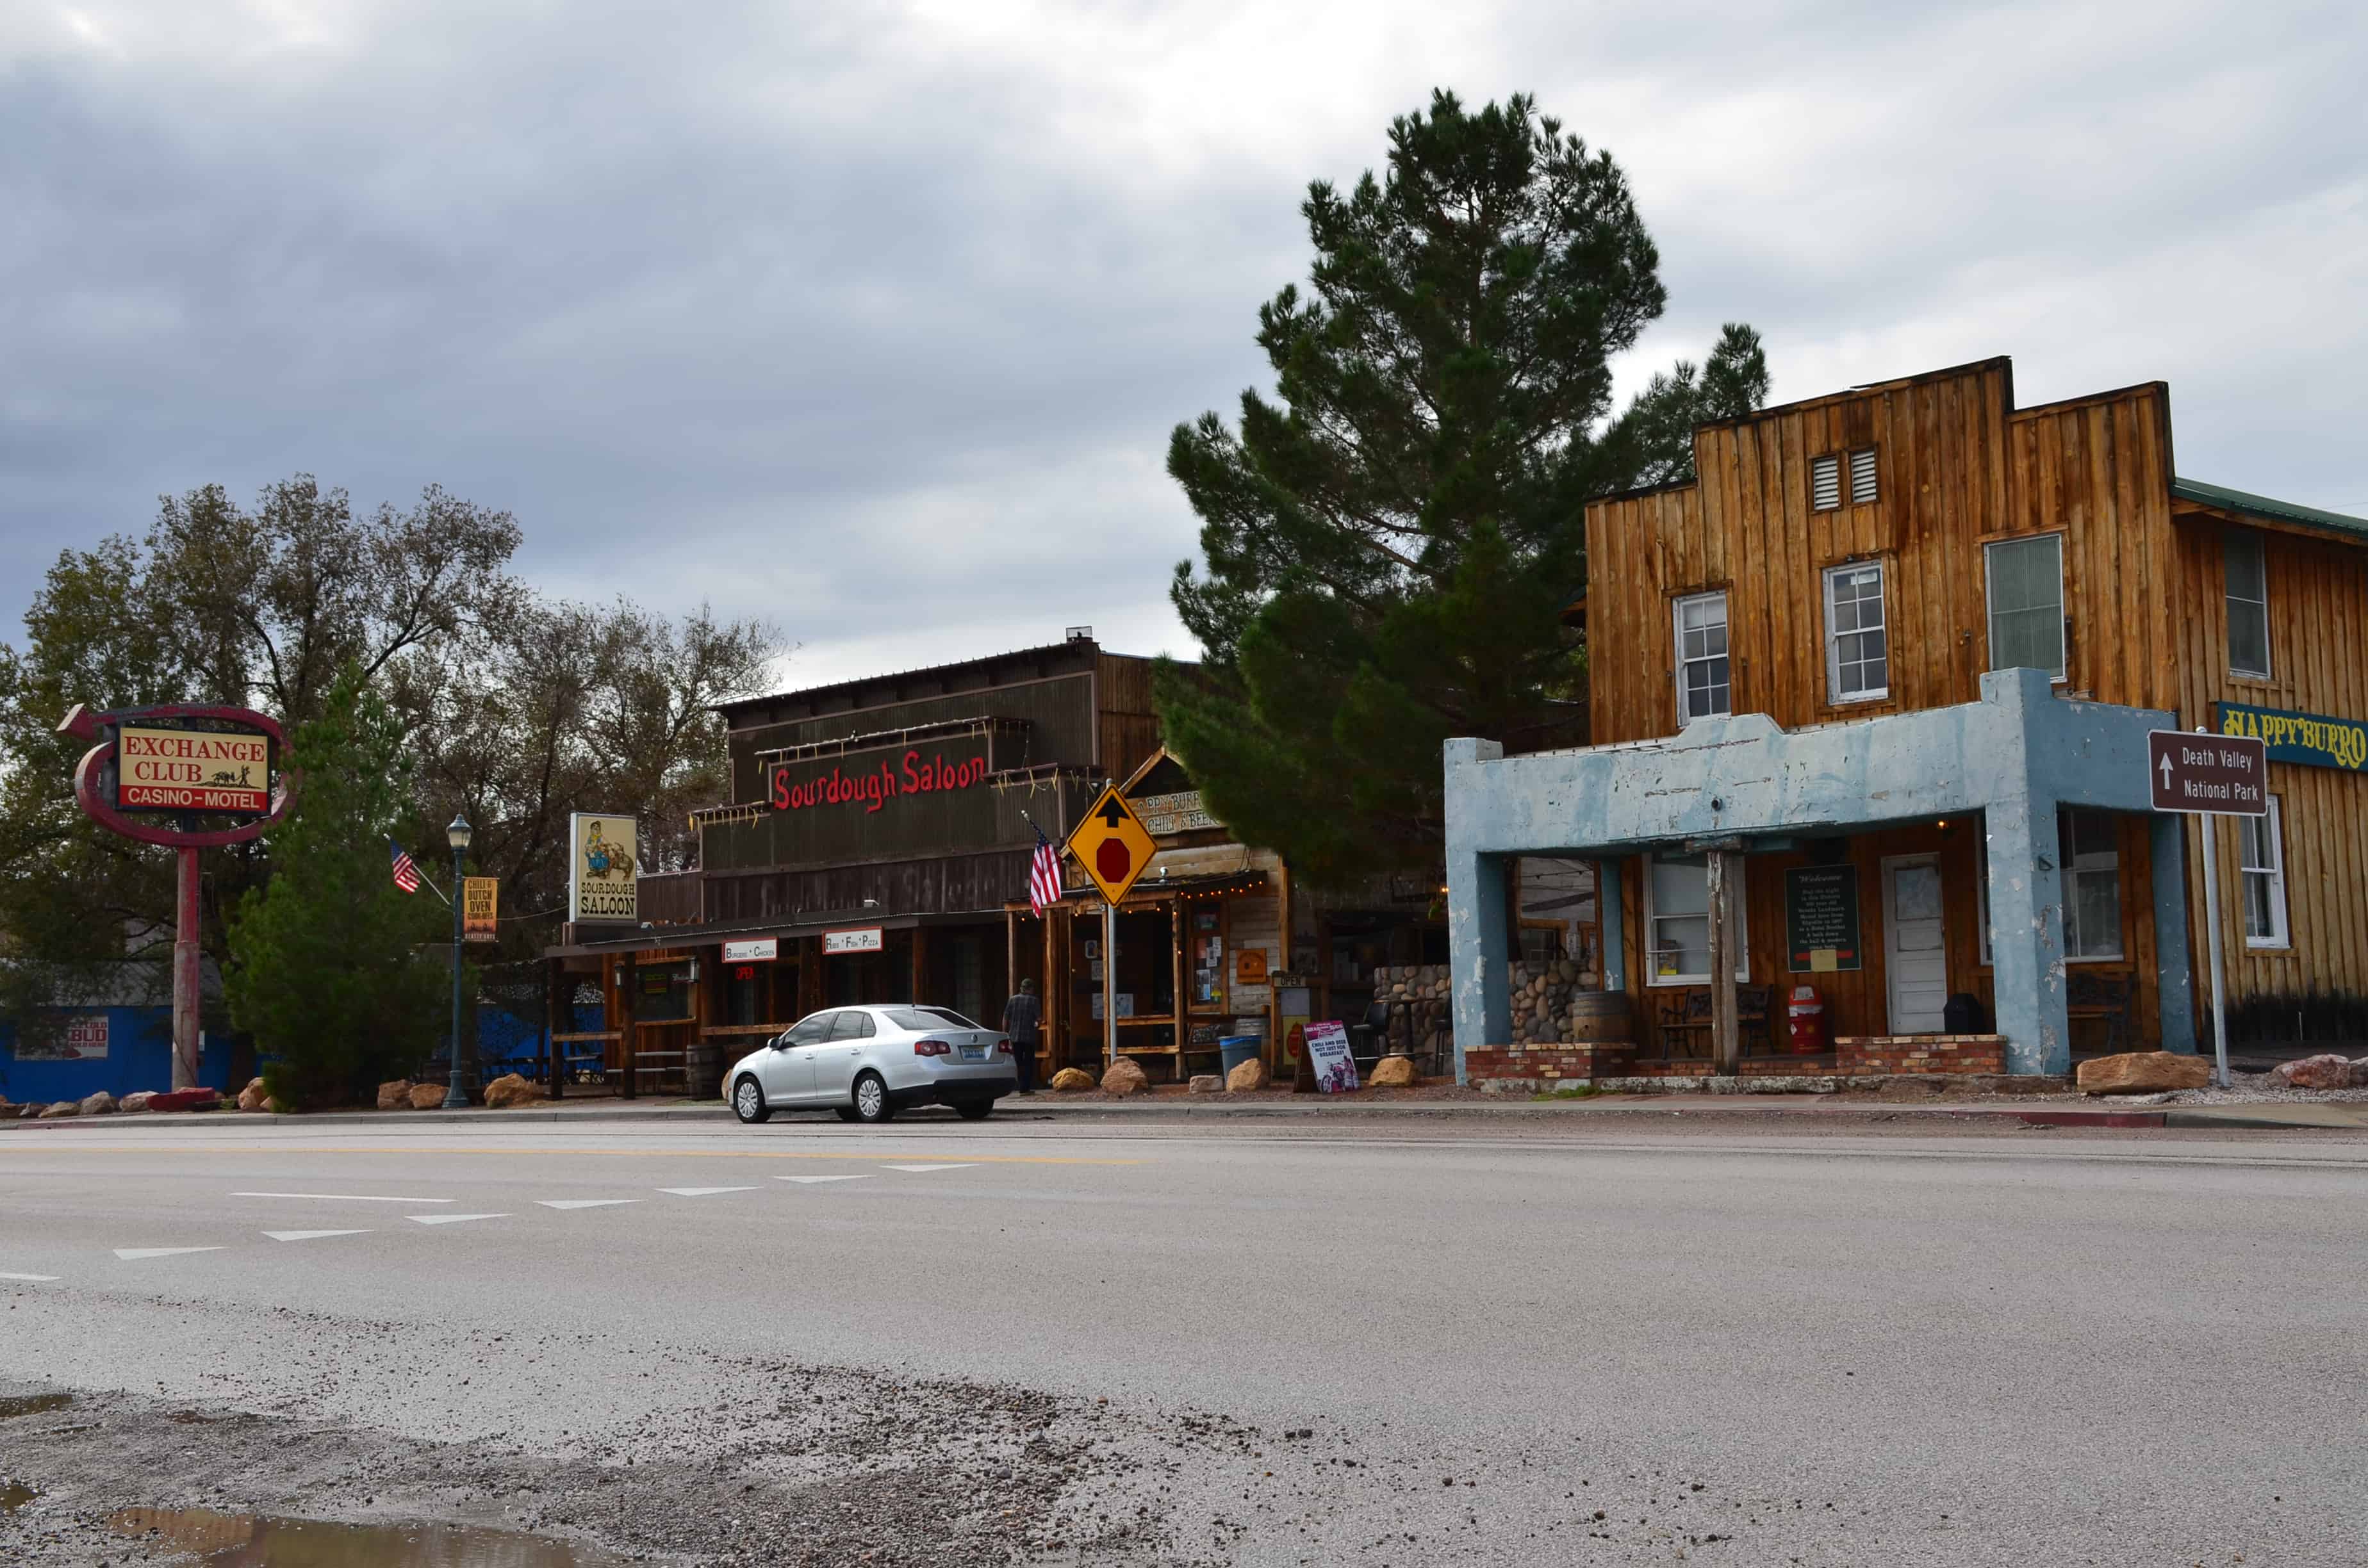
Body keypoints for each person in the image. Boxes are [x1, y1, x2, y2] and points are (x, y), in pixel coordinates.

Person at [1001, 979, 1041, 1094]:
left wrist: (1005, 1033)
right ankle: (1025, 1088)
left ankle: (1017, 1086)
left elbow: (1005, 1017)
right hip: (1029, 1037)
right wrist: (1037, 1025)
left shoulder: (1012, 1000)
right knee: (1028, 1063)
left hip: (1014, 1037)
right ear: (1030, 989)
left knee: (1017, 1062)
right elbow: (1039, 1020)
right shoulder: (1034, 1001)